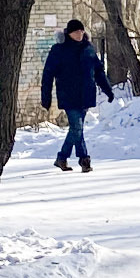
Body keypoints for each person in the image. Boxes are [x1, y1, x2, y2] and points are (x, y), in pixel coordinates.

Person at [42, 19, 114, 172]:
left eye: (81, 31)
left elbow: (99, 72)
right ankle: (84, 160)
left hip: (86, 95)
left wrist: (108, 90)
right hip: (68, 94)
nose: (79, 33)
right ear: (69, 33)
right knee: (77, 127)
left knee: (76, 129)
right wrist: (46, 97)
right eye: (76, 31)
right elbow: (48, 74)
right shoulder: (59, 50)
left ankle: (62, 158)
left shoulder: (88, 49)